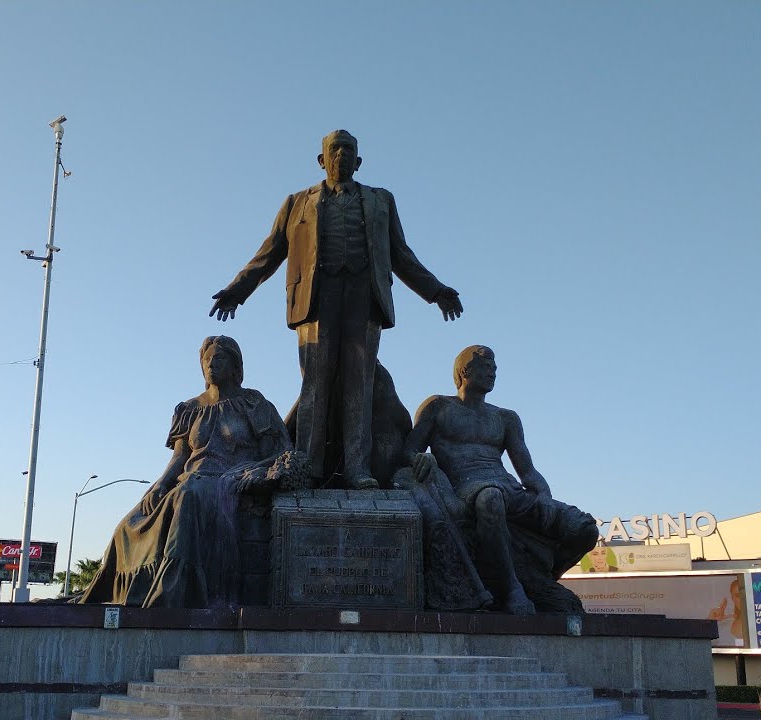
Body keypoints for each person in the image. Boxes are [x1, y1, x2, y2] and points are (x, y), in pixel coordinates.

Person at [210, 130, 463, 489]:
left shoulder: (382, 201)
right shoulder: (297, 202)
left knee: (360, 384)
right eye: (335, 149)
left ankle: (359, 469)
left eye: (349, 150)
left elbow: (401, 256)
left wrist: (435, 291)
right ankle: (309, 468)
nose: (342, 154)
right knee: (315, 383)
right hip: (315, 299)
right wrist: (238, 290)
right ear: (321, 160)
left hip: (364, 297)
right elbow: (269, 253)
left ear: (358, 162)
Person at [81, 336, 306, 608]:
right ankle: (127, 593)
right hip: (191, 478)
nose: (211, 364)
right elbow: (180, 457)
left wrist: (253, 473)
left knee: (188, 497)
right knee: (130, 523)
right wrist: (160, 485)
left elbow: (279, 451)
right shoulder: (189, 408)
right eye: (207, 359)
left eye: (219, 358)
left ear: (235, 366)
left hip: (230, 478)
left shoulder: (253, 403)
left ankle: (173, 588)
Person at [404, 345, 598, 615]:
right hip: (468, 488)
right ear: (464, 371)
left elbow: (528, 472)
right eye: (486, 366)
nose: (493, 372)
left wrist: (545, 500)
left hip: (511, 490)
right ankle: (511, 589)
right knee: (490, 498)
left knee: (585, 529)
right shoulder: (437, 407)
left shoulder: (506, 418)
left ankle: (539, 578)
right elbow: (409, 449)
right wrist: (421, 459)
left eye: (495, 367)